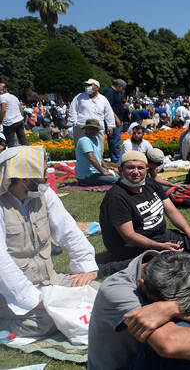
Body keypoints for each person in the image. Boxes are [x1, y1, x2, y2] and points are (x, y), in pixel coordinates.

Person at [0, 146, 99, 337]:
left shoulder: (43, 195)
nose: (47, 176)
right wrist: (33, 299)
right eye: (43, 171)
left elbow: (68, 230)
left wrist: (86, 267)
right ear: (24, 177)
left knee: (99, 293)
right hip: (9, 294)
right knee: (46, 320)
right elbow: (2, 263)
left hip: (49, 280)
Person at [68, 78, 115, 148]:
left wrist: (110, 126)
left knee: (98, 149)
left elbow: (109, 113)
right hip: (81, 127)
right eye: (86, 85)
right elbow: (73, 109)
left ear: (97, 87)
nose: (87, 87)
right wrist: (74, 122)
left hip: (98, 128)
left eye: (90, 85)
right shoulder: (79, 97)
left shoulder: (103, 99)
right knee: (81, 148)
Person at [75, 118, 118, 186]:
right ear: (86, 129)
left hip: (95, 172)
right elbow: (91, 158)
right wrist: (103, 171)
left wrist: (106, 167)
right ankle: (84, 182)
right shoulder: (84, 140)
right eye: (91, 129)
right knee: (115, 179)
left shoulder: (95, 138)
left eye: (95, 129)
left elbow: (99, 156)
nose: (93, 131)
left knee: (117, 176)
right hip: (86, 175)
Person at [101, 79, 126, 164]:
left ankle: (115, 161)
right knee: (115, 142)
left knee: (115, 142)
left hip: (115, 121)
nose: (122, 90)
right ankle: (116, 162)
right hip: (112, 122)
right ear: (119, 86)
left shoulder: (114, 93)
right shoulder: (110, 92)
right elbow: (108, 107)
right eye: (122, 88)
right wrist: (116, 118)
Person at [0, 83, 28, 147]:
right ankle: (29, 154)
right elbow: (21, 109)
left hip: (9, 122)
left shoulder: (2, 97)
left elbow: (3, 110)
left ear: (5, 89)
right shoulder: (14, 96)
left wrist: (0, 120)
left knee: (10, 143)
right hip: (19, 120)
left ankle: (11, 156)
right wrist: (21, 118)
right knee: (23, 140)